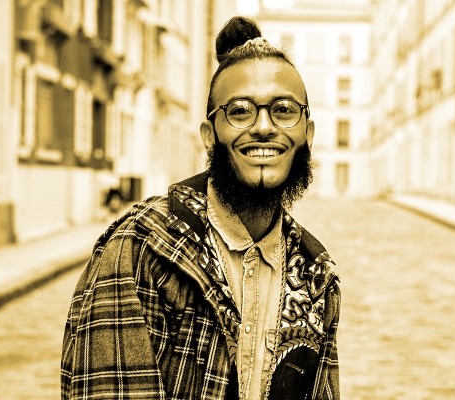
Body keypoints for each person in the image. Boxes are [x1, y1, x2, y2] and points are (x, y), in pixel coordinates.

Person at [61, 16, 341, 400]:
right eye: (240, 111)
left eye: (283, 109)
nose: (264, 126)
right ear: (210, 136)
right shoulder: (142, 250)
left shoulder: (316, 275)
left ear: (307, 134)